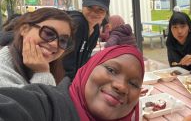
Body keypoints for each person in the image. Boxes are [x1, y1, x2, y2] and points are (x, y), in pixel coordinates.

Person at [0, 45, 144, 120]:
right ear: (88, 69)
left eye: (133, 84)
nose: (121, 86)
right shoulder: (50, 106)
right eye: (111, 70)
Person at [0, 8, 74, 87]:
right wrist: (42, 73)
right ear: (24, 29)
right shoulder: (2, 71)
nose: (54, 44)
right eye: (48, 33)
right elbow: (45, 99)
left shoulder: (55, 68)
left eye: (63, 41)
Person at [63, 0, 110, 79]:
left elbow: (84, 60)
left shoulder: (95, 29)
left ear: (106, 12)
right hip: (60, 82)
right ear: (83, 6)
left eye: (100, 9)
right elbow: (66, 61)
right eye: (90, 7)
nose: (94, 12)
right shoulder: (77, 24)